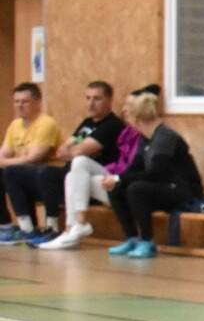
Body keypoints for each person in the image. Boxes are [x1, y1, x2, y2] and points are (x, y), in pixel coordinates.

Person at [40, 85, 148, 251]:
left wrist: (117, 178)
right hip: (111, 182)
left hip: (125, 188)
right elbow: (61, 152)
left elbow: (137, 169)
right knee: (73, 173)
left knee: (80, 162)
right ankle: (71, 229)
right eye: (88, 98)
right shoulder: (123, 132)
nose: (124, 110)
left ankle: (78, 225)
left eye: (129, 107)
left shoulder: (127, 131)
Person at [18, 80, 125, 247]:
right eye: (88, 98)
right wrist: (74, 150)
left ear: (109, 100)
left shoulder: (112, 125)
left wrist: (74, 150)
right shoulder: (87, 123)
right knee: (16, 173)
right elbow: (62, 151)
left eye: (97, 99)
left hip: (102, 179)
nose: (91, 103)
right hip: (78, 177)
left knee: (76, 163)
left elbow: (76, 152)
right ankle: (62, 229)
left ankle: (57, 228)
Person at [105, 89, 204, 259]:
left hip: (183, 190)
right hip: (163, 187)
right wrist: (116, 179)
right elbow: (135, 168)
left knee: (136, 189)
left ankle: (147, 241)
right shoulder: (145, 138)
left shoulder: (165, 136)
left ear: (137, 118)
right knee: (117, 187)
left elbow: (155, 173)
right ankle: (132, 238)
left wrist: (119, 178)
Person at [0, 83, 66, 244]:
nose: (20, 106)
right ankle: (8, 226)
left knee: (12, 171)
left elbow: (34, 158)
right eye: (16, 101)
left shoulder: (46, 123)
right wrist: (9, 161)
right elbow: (2, 155)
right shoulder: (15, 125)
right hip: (24, 178)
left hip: (50, 182)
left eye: (25, 101)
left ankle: (35, 228)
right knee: (11, 172)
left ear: (38, 102)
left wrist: (7, 162)